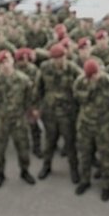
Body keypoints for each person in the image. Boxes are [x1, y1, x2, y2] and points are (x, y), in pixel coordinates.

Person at [72, 59, 109, 201]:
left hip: (103, 124)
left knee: (105, 155)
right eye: (90, 76)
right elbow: (76, 96)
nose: (93, 78)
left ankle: (106, 185)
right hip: (85, 123)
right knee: (85, 153)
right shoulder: (80, 82)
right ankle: (85, 181)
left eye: (95, 75)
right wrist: (89, 90)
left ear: (99, 72)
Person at [0, 50, 37, 188]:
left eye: (7, 61)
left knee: (23, 147)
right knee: (0, 150)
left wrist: (26, 112)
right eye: (2, 63)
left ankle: (25, 171)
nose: (5, 65)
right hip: (1, 119)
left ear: (13, 61)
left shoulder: (23, 79)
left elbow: (29, 98)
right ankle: (0, 173)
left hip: (18, 119)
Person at [36, 43, 82, 183]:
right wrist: (37, 107)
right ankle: (46, 166)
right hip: (49, 112)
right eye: (55, 58)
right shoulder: (45, 68)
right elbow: (39, 88)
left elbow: (81, 84)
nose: (58, 61)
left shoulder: (73, 69)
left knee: (70, 144)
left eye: (61, 57)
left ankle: (74, 170)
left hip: (67, 113)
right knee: (49, 142)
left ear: (65, 56)